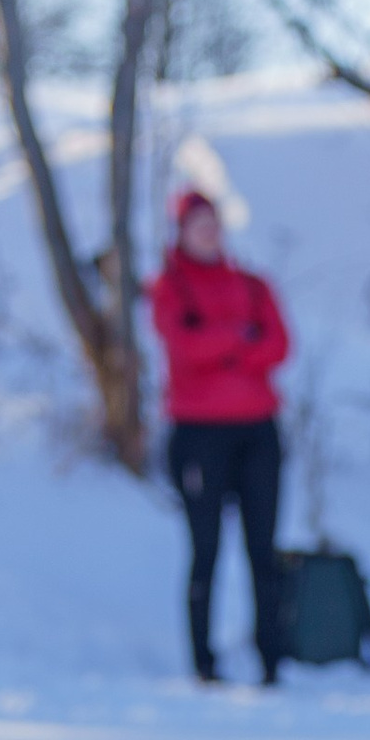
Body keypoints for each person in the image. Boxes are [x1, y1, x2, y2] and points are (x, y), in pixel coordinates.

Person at [150, 189, 289, 682]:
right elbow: (185, 349)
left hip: (258, 430)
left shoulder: (253, 285)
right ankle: (203, 663)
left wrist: (221, 345)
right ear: (182, 231)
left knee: (263, 549)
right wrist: (237, 338)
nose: (209, 232)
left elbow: (277, 345)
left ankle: (271, 658)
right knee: (206, 550)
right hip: (198, 435)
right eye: (198, 224)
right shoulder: (170, 288)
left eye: (214, 222)